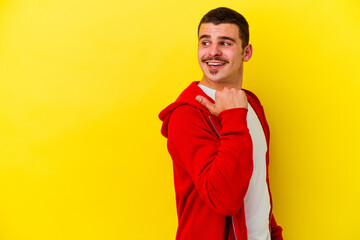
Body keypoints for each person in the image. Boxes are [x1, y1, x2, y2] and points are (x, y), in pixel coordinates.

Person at [159, 7, 283, 240]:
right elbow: (224, 199)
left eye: (225, 43)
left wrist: (273, 234)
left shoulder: (252, 105)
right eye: (205, 43)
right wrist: (234, 117)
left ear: (247, 52)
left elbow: (257, 185)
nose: (212, 52)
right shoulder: (186, 115)